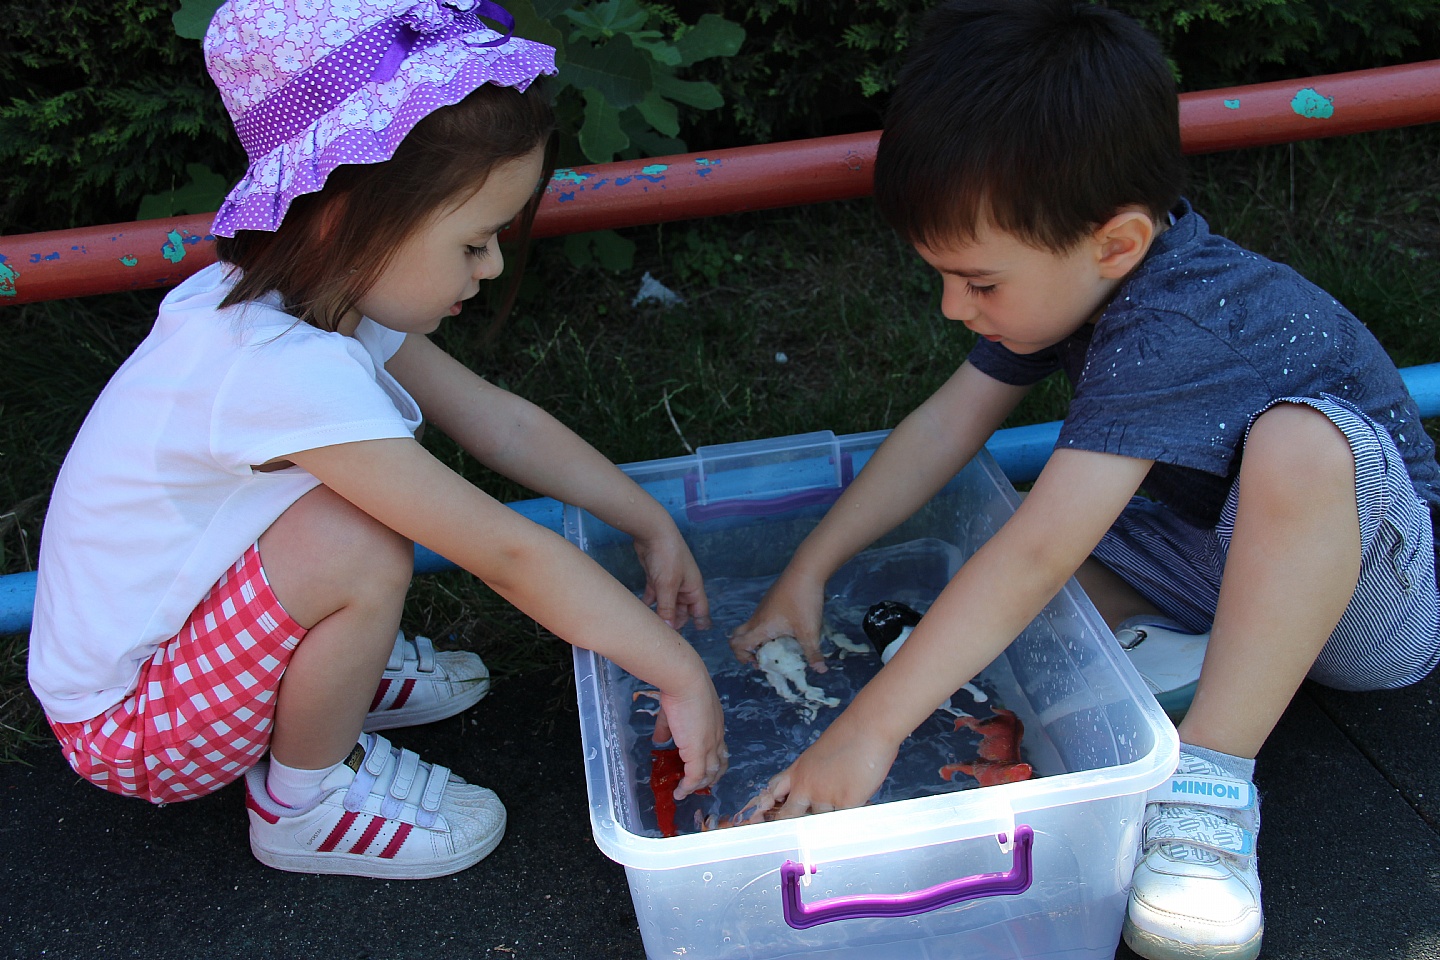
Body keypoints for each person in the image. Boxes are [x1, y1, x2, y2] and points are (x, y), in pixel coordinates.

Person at [728, 2, 1440, 958]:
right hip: (1203, 554)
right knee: (998, 544)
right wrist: (809, 568)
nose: (951, 307)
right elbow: (946, 426)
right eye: (941, 278)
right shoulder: (1081, 268)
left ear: (1118, 244)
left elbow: (1038, 556)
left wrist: (868, 733)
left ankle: (1209, 788)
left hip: (1371, 605)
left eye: (978, 284)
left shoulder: (1177, 320)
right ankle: (1198, 655)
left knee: (1293, 446)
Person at [27, 0, 727, 882]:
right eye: (474, 242)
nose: (494, 266)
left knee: (346, 529)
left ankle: (323, 680)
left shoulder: (303, 302)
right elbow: (505, 551)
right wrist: (677, 670)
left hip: (163, 655)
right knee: (357, 541)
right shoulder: (278, 369)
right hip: (132, 729)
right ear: (342, 214)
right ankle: (302, 805)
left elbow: (495, 417)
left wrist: (648, 520)